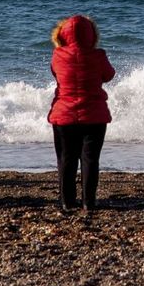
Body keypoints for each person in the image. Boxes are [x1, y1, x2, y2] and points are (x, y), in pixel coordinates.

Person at [48, 15, 115, 212]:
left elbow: (55, 73)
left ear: (62, 34)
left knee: (66, 160)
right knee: (90, 160)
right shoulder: (98, 56)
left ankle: (67, 202)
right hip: (94, 116)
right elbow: (109, 75)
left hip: (64, 115)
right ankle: (88, 202)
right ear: (92, 35)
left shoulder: (58, 56)